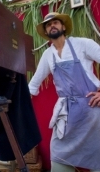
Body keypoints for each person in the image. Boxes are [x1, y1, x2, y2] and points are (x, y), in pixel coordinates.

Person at [29, 12, 100, 172]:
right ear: (46, 32)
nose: (52, 25)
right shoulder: (48, 55)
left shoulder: (83, 44)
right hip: (66, 115)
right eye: (48, 24)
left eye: (55, 22)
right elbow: (34, 84)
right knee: (59, 158)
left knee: (97, 158)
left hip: (92, 112)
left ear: (63, 26)